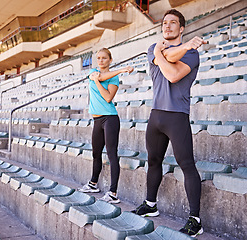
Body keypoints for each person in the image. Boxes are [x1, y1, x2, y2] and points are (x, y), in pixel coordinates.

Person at [131, 9, 206, 237]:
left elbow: (173, 75)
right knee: (153, 161)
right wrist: (181, 48)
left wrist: (162, 54)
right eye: (165, 23)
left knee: (187, 165)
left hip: (176, 115)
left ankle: (195, 219)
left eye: (173, 23)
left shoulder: (192, 55)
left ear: (181, 28)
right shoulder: (158, 49)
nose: (168, 26)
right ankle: (151, 204)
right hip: (156, 116)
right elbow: (168, 60)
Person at [79, 48, 133, 204]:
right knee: (96, 153)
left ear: (110, 60)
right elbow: (99, 76)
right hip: (97, 120)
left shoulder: (114, 79)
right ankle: (93, 184)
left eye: (104, 58)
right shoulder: (94, 72)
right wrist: (121, 70)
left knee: (111, 154)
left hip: (110, 118)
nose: (101, 60)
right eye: (98, 58)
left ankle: (113, 192)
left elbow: (108, 97)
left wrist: (97, 81)